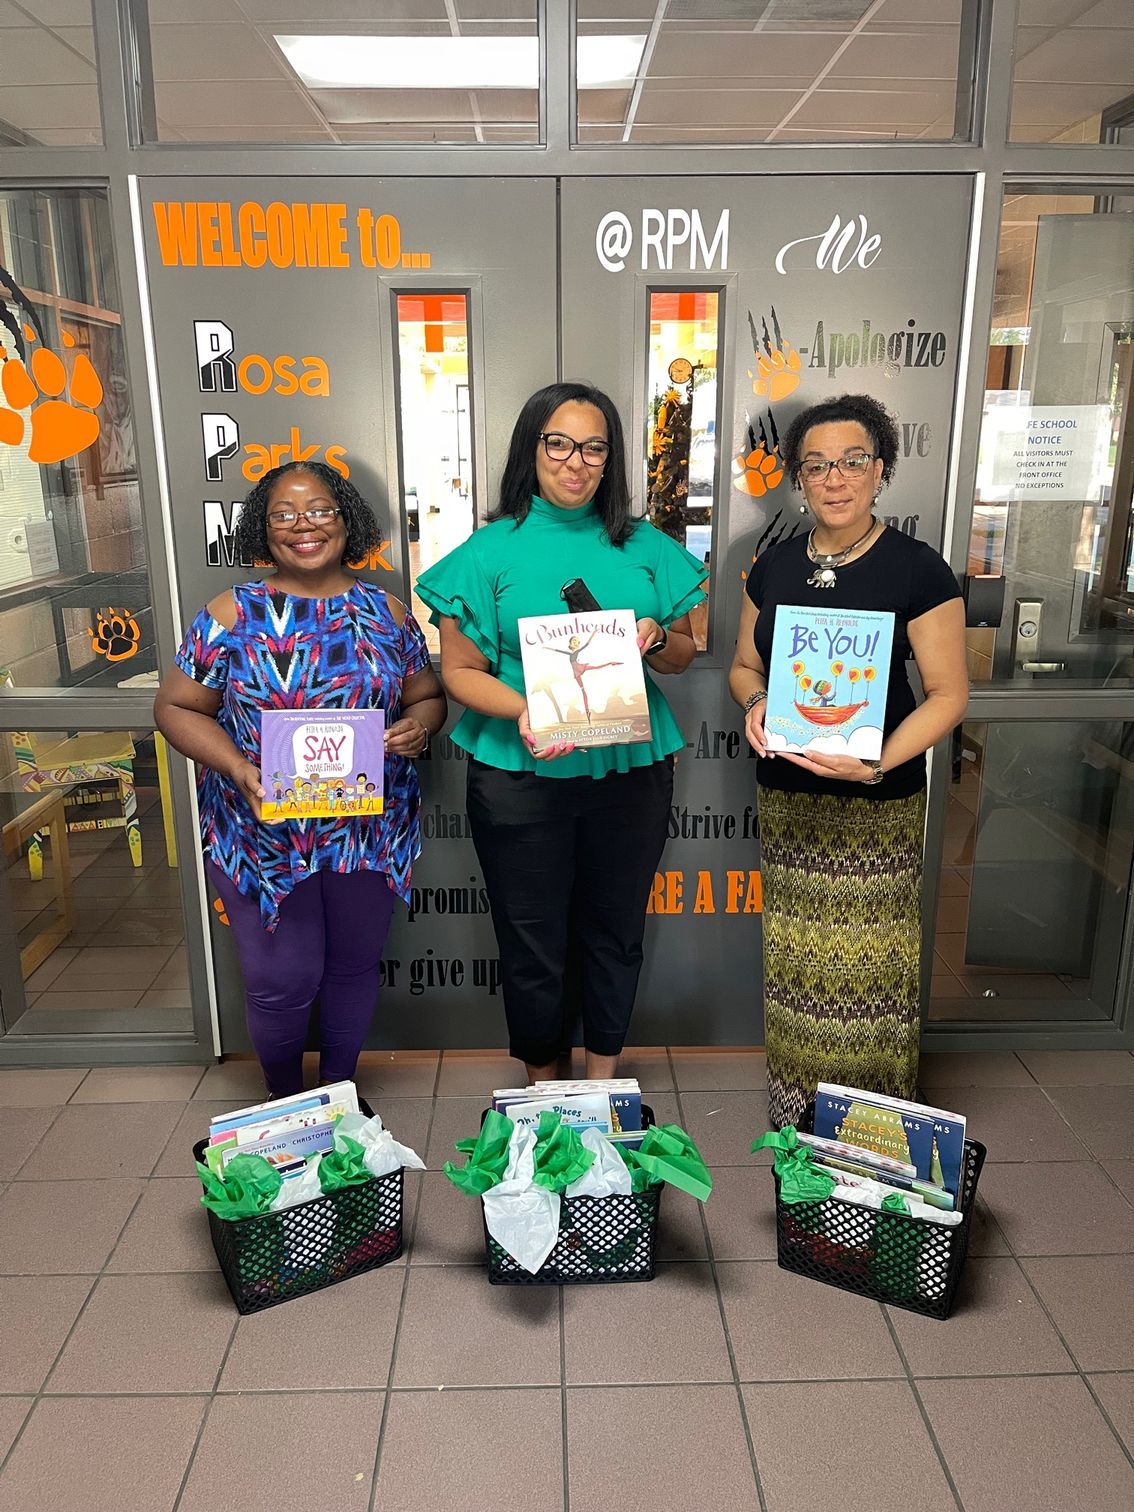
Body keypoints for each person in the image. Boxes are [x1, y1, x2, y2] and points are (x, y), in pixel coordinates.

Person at [416, 381, 706, 1083]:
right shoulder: (488, 552)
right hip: (521, 771)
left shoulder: (645, 546)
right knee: (531, 938)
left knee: (615, 932)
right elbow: (459, 670)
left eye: (594, 448)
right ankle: (545, 1090)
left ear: (611, 460)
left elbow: (684, 653)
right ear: (532, 449)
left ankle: (603, 1086)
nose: (576, 462)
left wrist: (655, 634)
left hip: (629, 771)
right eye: (559, 444)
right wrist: (520, 709)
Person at [154, 461, 447, 1097]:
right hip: (263, 835)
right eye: (283, 515)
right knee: (279, 981)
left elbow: (427, 695)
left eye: (319, 510)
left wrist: (419, 727)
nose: (303, 526)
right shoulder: (232, 614)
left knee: (351, 967)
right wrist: (238, 767)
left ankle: (338, 1096)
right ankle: (284, 1104)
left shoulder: (387, 610)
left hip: (364, 832)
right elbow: (174, 708)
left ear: (347, 520)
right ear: (264, 529)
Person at [728, 393, 968, 1130]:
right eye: (817, 465)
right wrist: (756, 706)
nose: (835, 479)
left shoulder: (917, 571)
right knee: (798, 964)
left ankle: (870, 1131)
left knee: (871, 968)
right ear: (798, 477)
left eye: (853, 461)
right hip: (791, 800)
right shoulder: (770, 570)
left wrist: (876, 764)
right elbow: (744, 665)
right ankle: (795, 1119)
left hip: (876, 802)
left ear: (881, 468)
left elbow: (948, 694)